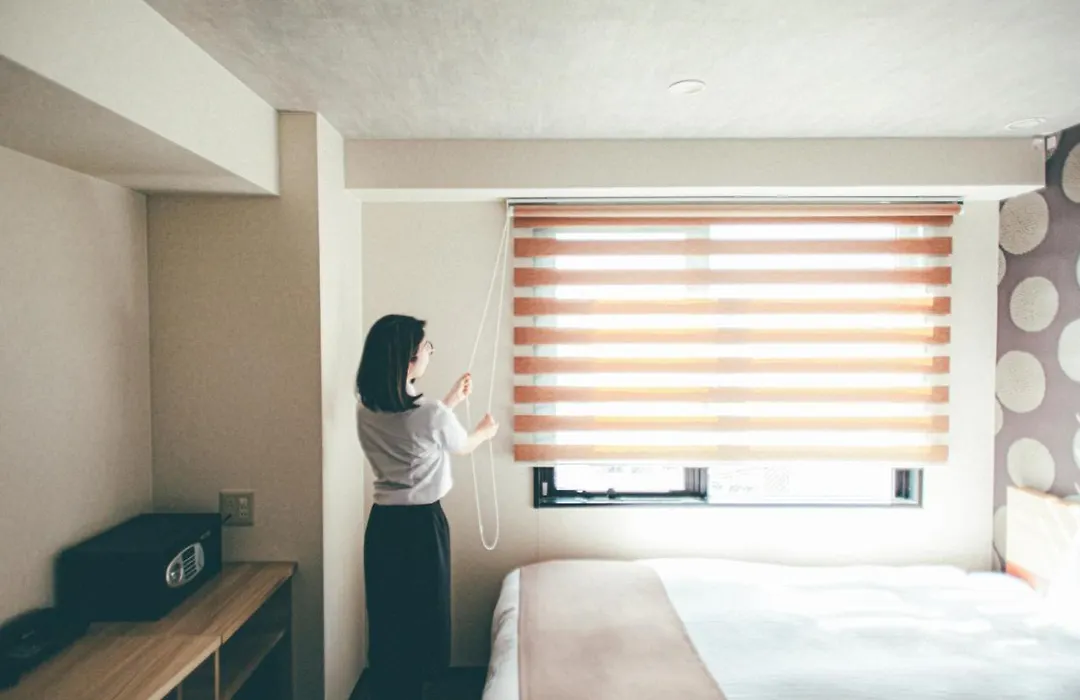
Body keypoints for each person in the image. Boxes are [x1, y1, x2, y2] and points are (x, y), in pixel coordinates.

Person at [355, 314, 499, 700]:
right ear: (408, 360)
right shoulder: (429, 415)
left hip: (383, 526)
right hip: (421, 526)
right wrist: (484, 432)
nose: (429, 353)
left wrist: (452, 399)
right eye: (425, 347)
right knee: (424, 616)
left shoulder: (366, 408)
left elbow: (418, 433)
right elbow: (458, 444)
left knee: (389, 618)